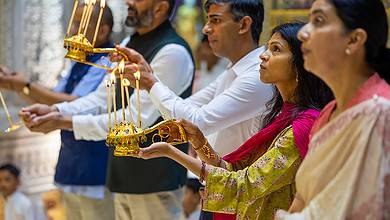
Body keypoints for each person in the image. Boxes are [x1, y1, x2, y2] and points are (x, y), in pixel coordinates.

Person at [137, 22, 333, 220]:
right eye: (268, 48)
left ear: (301, 65)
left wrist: (171, 152)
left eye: (276, 50)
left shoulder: (303, 125)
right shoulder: (281, 116)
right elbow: (233, 170)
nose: (264, 55)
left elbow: (244, 184)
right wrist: (199, 142)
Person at [21, 0, 195, 219]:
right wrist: (55, 110)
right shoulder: (130, 42)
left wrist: (63, 121)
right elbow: (102, 98)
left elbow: (135, 119)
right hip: (121, 176)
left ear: (160, 8)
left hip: (156, 182)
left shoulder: (172, 52)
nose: (129, 2)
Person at [274, 0, 390, 219]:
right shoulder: (328, 112)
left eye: (318, 21)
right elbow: (305, 196)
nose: (303, 34)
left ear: (354, 39)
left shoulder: (379, 114)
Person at [112, 0, 273, 156]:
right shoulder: (234, 70)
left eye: (215, 20)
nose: (206, 29)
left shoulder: (258, 76)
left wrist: (150, 82)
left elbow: (197, 122)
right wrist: (150, 78)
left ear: (244, 25)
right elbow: (186, 109)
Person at [0, 4, 116, 220]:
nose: (72, 30)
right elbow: (53, 101)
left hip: (96, 167)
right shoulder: (79, 60)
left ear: (103, 31)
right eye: (73, 22)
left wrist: (25, 84)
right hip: (71, 163)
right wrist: (16, 85)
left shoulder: (109, 62)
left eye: (80, 24)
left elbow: (79, 103)